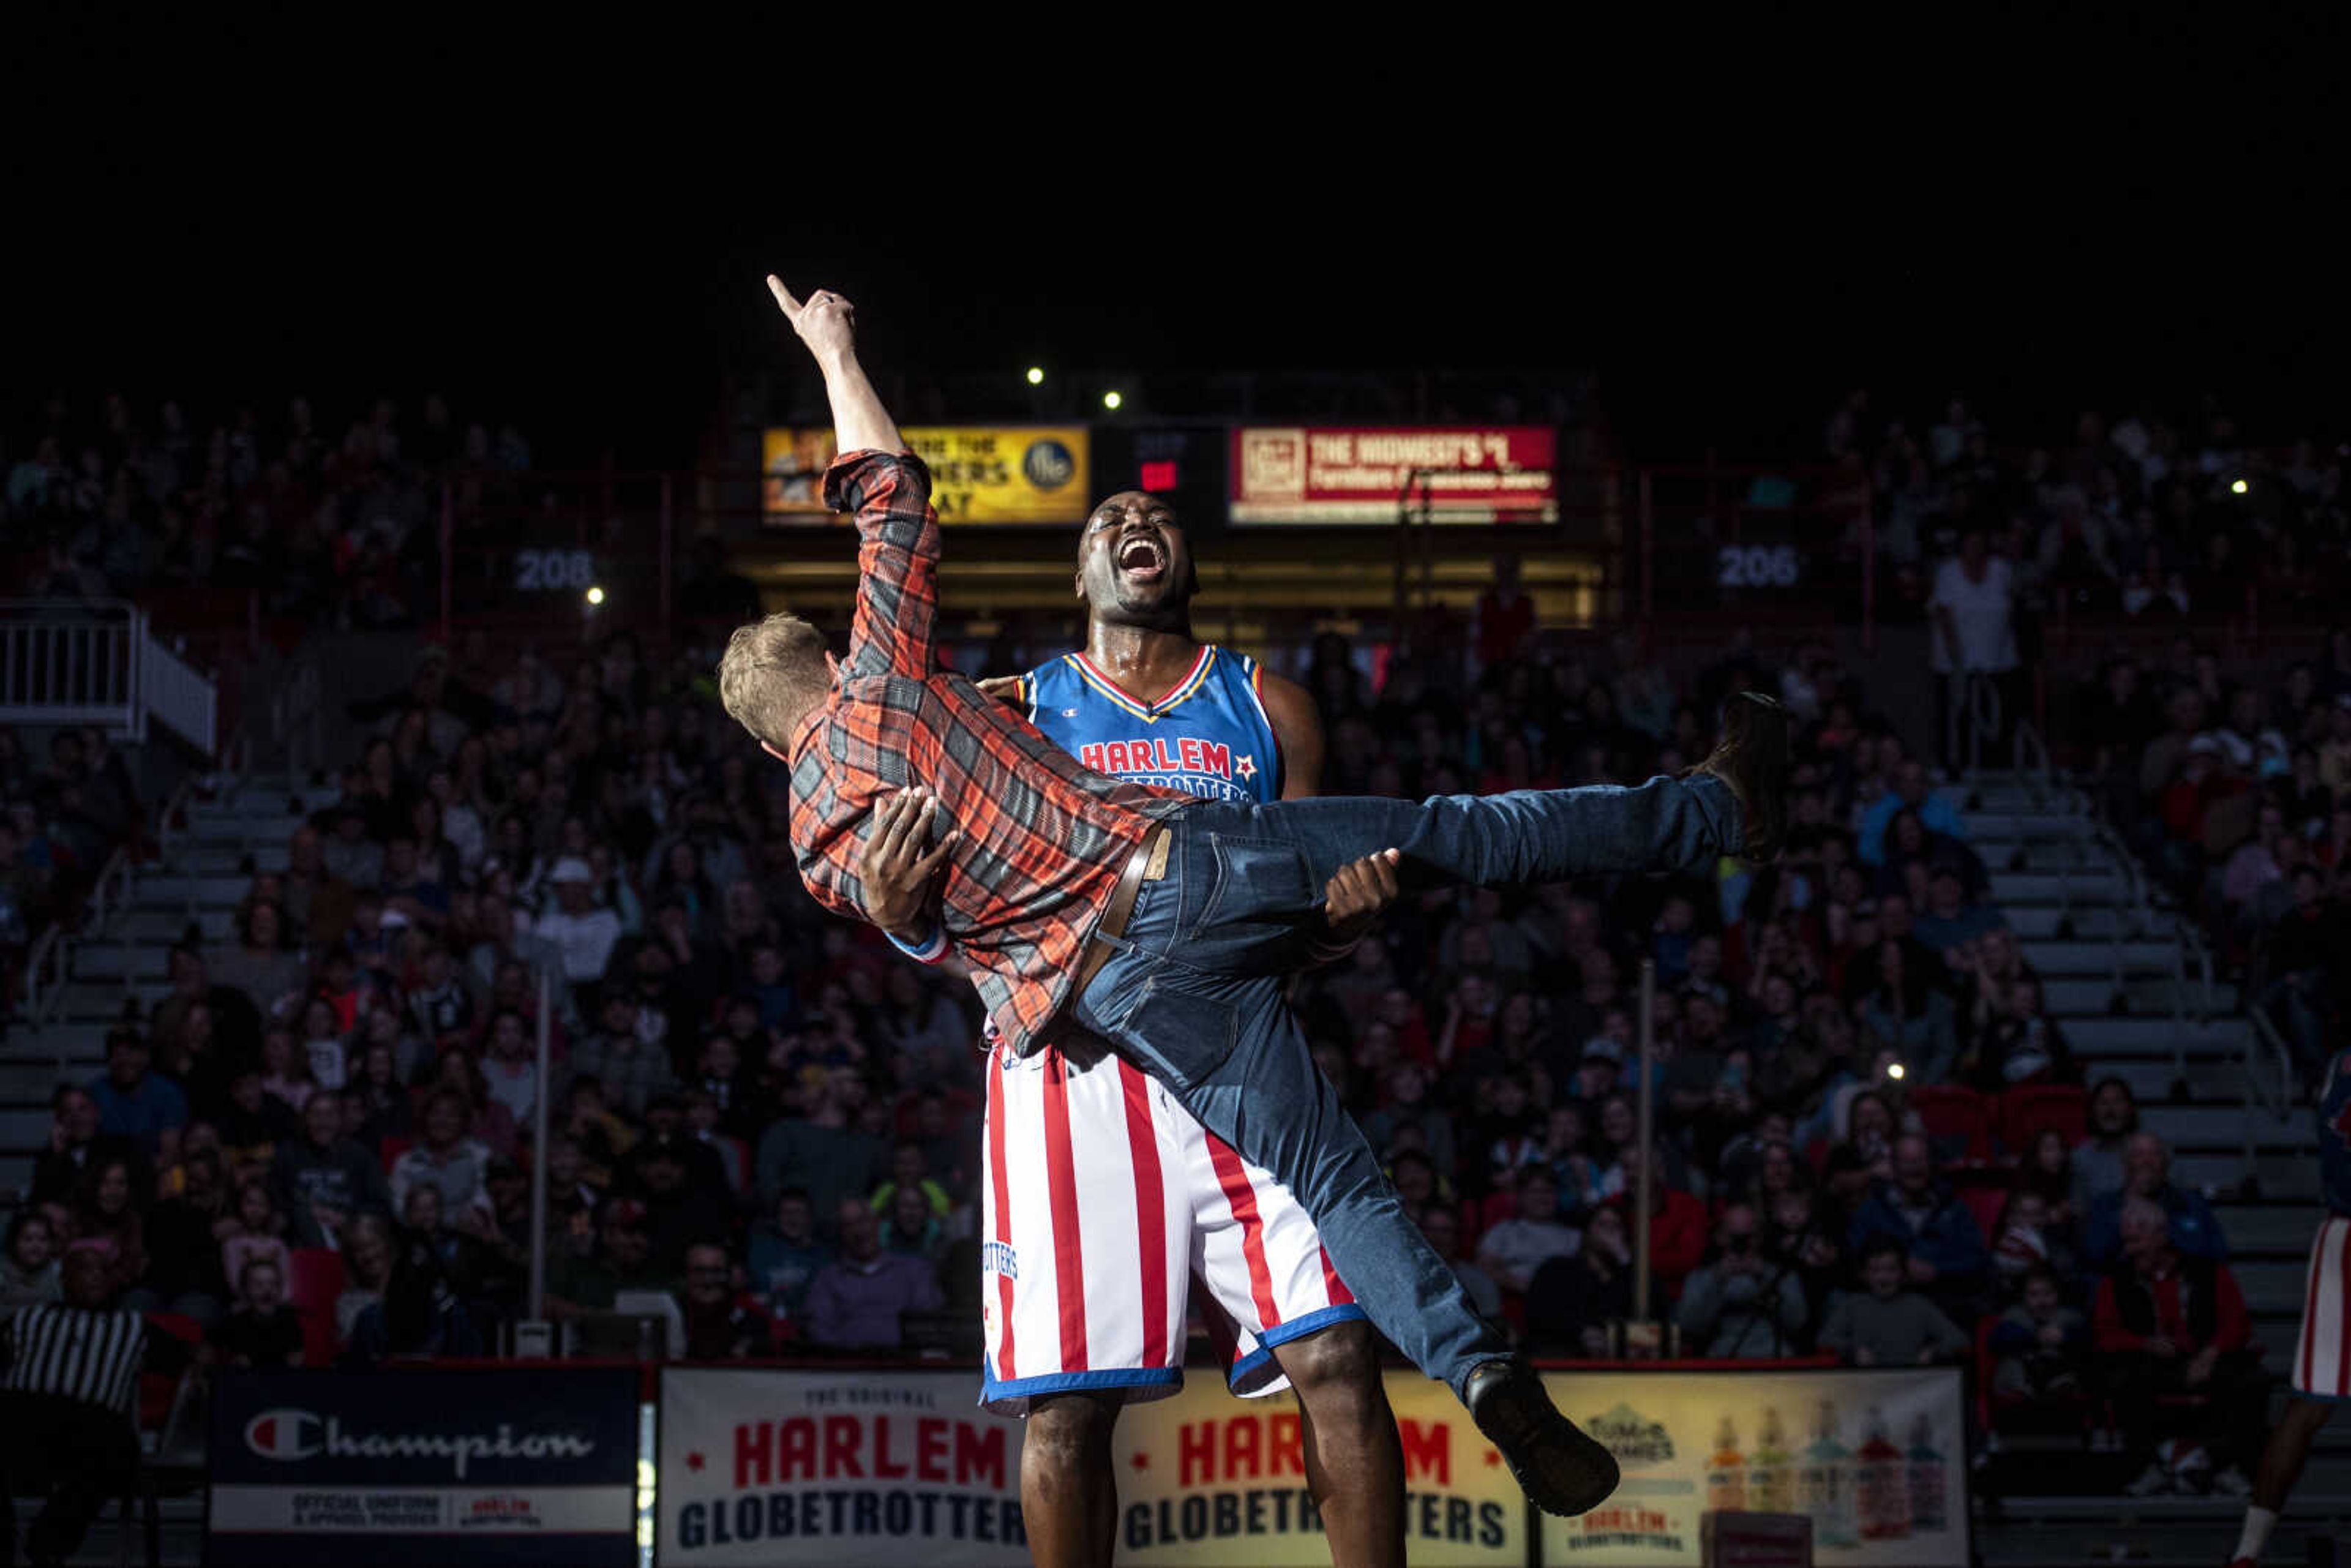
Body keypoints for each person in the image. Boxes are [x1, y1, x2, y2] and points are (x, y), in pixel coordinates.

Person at [724, 277, 1787, 1519]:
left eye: (1150, 514)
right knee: (1465, 837)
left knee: (1330, 1300)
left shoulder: (824, 833)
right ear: (1076, 577)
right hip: (1134, 975)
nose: (1133, 520)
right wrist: (837, 348)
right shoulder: (968, 691)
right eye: (1108, 517)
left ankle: (1491, 1376)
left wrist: (1340, 918)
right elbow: (894, 500)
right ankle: (1712, 810)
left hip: (1144, 992)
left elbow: (907, 912)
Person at [2226, 1045, 2351, 1566]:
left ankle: (2247, 1553)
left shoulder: (2338, 1061)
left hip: (2338, 1237)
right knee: (2308, 1406)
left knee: (2309, 1405)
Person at [0, 1247, 181, 1567]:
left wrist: (202, 1357)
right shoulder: (29, 1318)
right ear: (64, 1278)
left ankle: (48, 1542)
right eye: (85, 1270)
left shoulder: (134, 1327)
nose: (95, 1277)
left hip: (93, 1425)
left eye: (102, 1271)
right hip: (25, 1413)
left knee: (118, 1454)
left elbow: (189, 1358)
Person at [2096, 1198, 2262, 1498]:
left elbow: (2237, 1323)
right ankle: (2152, 1466)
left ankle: (2226, 1466)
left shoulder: (2208, 1271)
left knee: (2251, 1381)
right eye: (2126, 1241)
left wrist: (2211, 1354)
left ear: (2161, 1236)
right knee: (2124, 1380)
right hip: (2152, 1362)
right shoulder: (2117, 1279)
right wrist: (2143, 1343)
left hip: (2207, 1356)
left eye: (2137, 1240)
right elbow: (2105, 1334)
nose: (2130, 1249)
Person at [802, 1198, 942, 1350]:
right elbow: (819, 1330)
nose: (859, 1231)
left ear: (877, 1223)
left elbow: (927, 1323)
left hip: (905, 1366)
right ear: (841, 1233)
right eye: (849, 1225)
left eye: (863, 1221)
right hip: (849, 1366)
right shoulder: (828, 1279)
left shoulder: (914, 1270)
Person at [1676, 1202, 1809, 1359]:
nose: (1741, 1245)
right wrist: (1716, 1279)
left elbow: (1798, 1322)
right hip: (1721, 1357)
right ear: (1720, 1237)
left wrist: (1766, 1277)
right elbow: (1688, 1326)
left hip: (1773, 1356)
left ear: (1759, 1237)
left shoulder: (1781, 1275)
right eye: (1734, 1238)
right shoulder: (1700, 1278)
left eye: (1747, 1238)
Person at [1818, 1237, 1969, 1367]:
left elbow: (1959, 1340)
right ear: (1863, 1274)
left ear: (1903, 1274)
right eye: (1875, 1270)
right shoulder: (1854, 1305)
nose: (1883, 1278)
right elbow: (1825, 1339)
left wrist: (1934, 1351)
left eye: (1891, 1270)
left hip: (1912, 1387)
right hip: (1867, 1385)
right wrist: (1853, 1350)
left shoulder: (1919, 1305)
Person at [207, 1256, 304, 1369]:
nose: (267, 1290)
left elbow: (297, 1362)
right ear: (245, 1288)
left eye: (274, 1284)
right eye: (258, 1284)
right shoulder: (234, 1325)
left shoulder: (291, 1322)